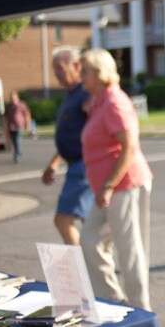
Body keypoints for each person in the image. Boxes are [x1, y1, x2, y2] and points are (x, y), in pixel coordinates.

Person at [79, 48, 153, 311]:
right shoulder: (99, 102)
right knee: (89, 241)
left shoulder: (114, 102)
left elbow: (129, 147)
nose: (81, 76)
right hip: (108, 189)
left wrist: (109, 185)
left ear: (100, 73)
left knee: (129, 252)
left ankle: (141, 311)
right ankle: (113, 301)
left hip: (124, 184)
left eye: (85, 71)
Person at [42, 46, 94, 246]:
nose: (56, 74)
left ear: (76, 65)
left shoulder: (85, 93)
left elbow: (96, 131)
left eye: (59, 68)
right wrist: (54, 162)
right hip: (76, 164)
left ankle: (82, 270)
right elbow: (72, 135)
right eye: (54, 69)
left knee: (63, 219)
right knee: (88, 222)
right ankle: (91, 268)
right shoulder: (71, 94)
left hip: (84, 167)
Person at [4, 90, 32, 163]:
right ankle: (18, 153)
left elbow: (27, 115)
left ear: (17, 97)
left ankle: (17, 155)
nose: (13, 99)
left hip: (19, 126)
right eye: (11, 97)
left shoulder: (21, 105)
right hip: (11, 126)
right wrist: (5, 127)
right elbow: (5, 116)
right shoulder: (9, 106)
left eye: (14, 97)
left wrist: (28, 125)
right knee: (14, 142)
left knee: (17, 141)